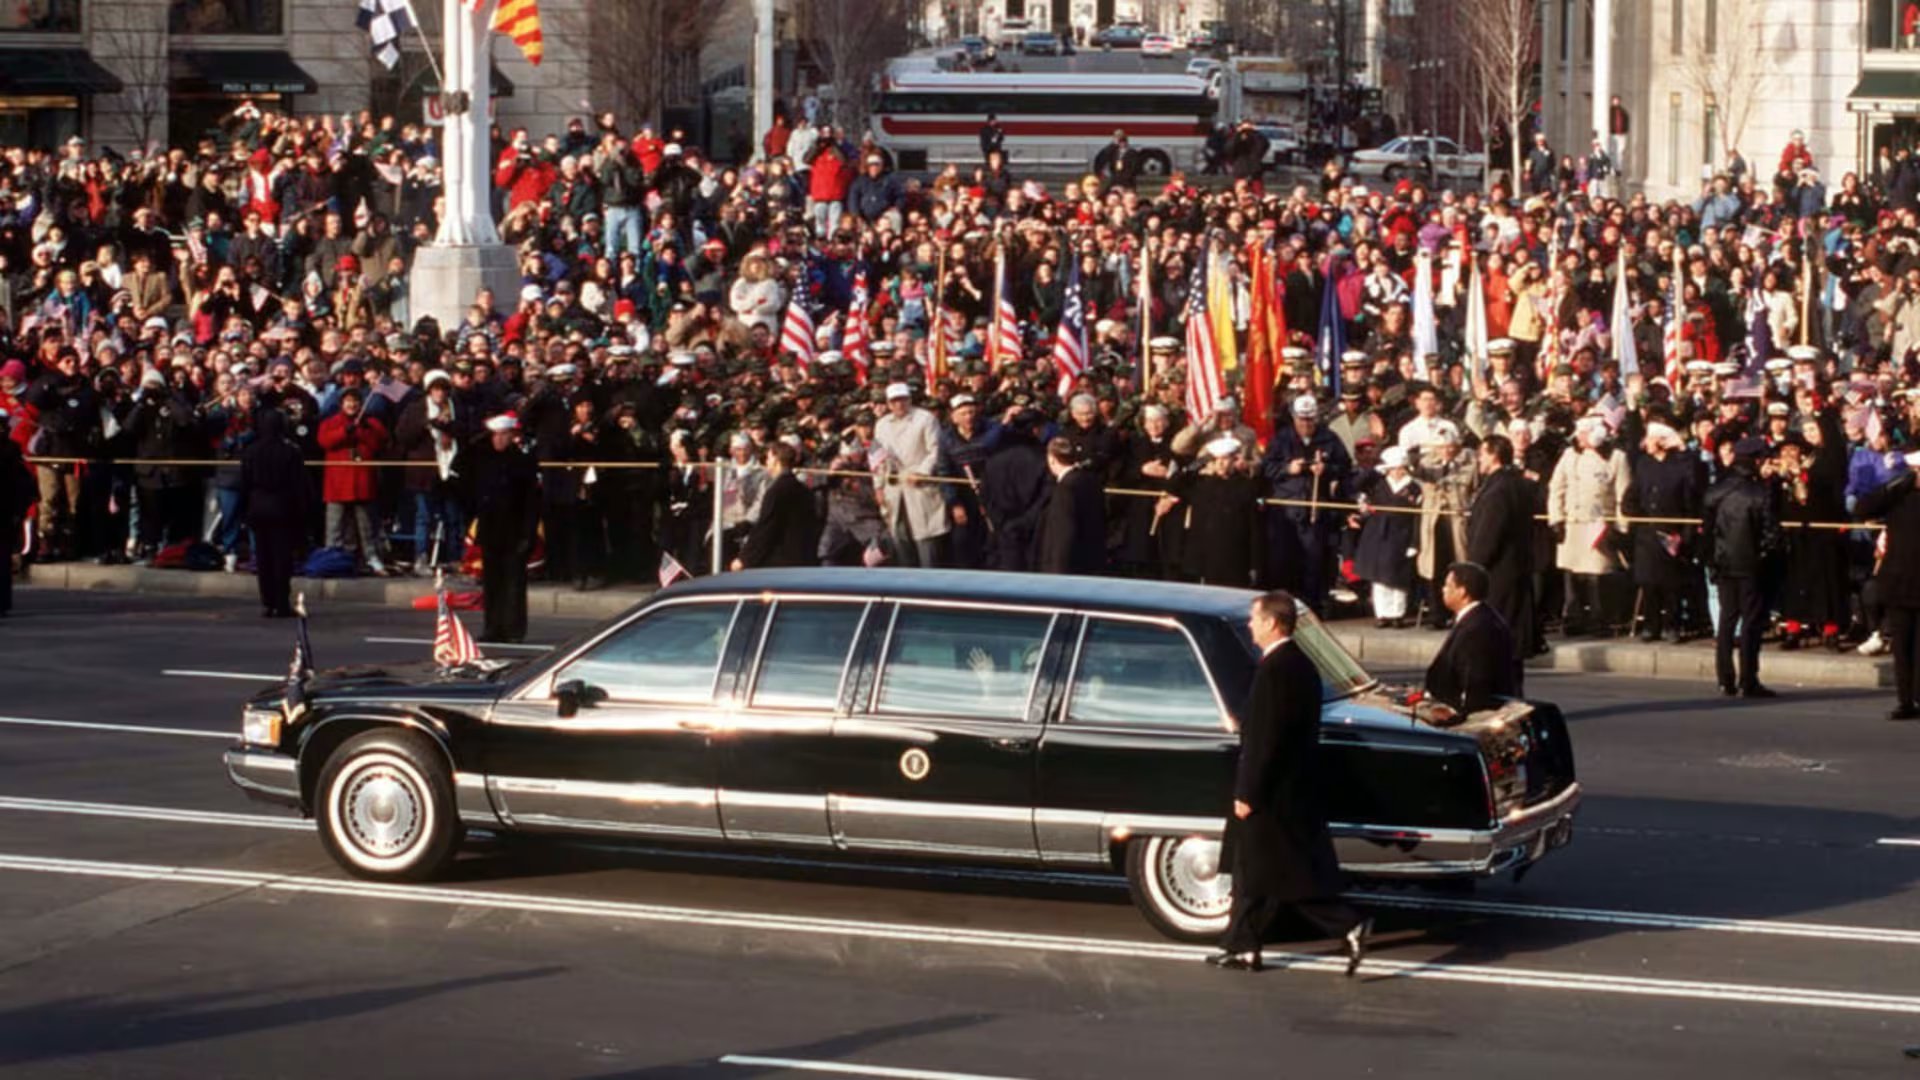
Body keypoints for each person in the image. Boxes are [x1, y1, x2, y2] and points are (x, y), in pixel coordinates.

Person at [1212, 589, 1372, 975]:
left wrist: (1247, 793)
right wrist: (1245, 723)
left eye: (1254, 618)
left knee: (1281, 872)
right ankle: (1242, 945)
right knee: (1253, 870)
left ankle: (1347, 923)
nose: (1250, 625)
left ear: (1271, 622)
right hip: (1292, 785)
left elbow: (1269, 739)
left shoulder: (1274, 670)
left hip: (1272, 791)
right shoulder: (1299, 663)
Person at [1702, 438, 1782, 698]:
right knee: (1750, 623)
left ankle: (1725, 679)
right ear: (1756, 461)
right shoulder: (1760, 493)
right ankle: (1749, 679)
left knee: (1727, 619)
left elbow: (1706, 532)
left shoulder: (1716, 490)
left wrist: (1711, 560)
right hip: (1750, 565)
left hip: (1723, 562)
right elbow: (1771, 535)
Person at [1855, 453, 1920, 720]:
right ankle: (1906, 700)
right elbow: (1863, 508)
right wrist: (1895, 486)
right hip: (1899, 581)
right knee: (1902, 645)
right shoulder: (1898, 496)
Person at [469, 413, 541, 643]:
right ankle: (493, 628)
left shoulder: (523, 462)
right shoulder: (484, 459)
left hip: (515, 532)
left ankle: (514, 630)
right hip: (491, 531)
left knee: (514, 585)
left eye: (504, 435)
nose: (499, 439)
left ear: (512, 435)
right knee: (492, 584)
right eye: (495, 435)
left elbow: (532, 503)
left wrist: (528, 535)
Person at [1466, 433, 1536, 661]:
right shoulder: (1519, 483)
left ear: (1494, 456)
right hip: (1517, 568)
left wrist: (1472, 568)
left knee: (1496, 637)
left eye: (1482, 455)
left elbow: (1488, 536)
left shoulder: (1498, 491)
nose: (1479, 460)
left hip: (1497, 573)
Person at [237, 409, 311, 618]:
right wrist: (302, 511)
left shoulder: (251, 451)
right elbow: (299, 485)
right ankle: (281, 602)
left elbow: (244, 483)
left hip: (257, 507)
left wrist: (244, 511)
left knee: (263, 557)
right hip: (282, 508)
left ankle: (267, 602)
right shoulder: (290, 451)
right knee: (281, 558)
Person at [1423, 562, 1521, 715]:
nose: (1443, 590)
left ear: (1462, 592)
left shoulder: (1477, 629)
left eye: (1448, 586)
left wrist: (1460, 716)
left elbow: (1475, 683)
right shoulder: (1476, 618)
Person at [733, 440, 820, 570]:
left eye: (768, 458)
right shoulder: (804, 490)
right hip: (803, 560)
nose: (766, 462)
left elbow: (766, 529)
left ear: (776, 460)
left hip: (779, 563)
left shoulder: (777, 491)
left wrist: (745, 559)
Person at [1037, 436, 1105, 575]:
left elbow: (1063, 533)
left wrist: (1057, 569)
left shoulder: (1065, 488)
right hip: (1091, 563)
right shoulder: (1091, 480)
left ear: (1051, 459)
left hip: (1068, 567)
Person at [0, 409, 33, 616]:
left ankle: (3, 601)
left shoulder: (11, 450)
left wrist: (19, 510)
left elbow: (23, 484)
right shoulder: (11, 449)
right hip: (7, 509)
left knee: (3, 557)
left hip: (5, 509)